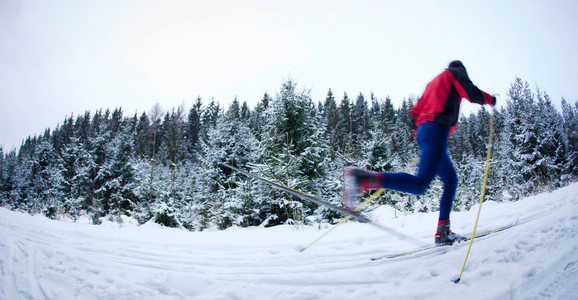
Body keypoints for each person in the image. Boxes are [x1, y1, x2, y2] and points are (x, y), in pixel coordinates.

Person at [343, 60, 496, 245]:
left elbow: (415, 112)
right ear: (460, 69)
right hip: (436, 131)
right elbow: (472, 93)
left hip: (426, 133)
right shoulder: (455, 73)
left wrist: (423, 137)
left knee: (450, 179)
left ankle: (443, 232)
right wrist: (491, 100)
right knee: (420, 184)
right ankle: (364, 178)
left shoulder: (433, 83)